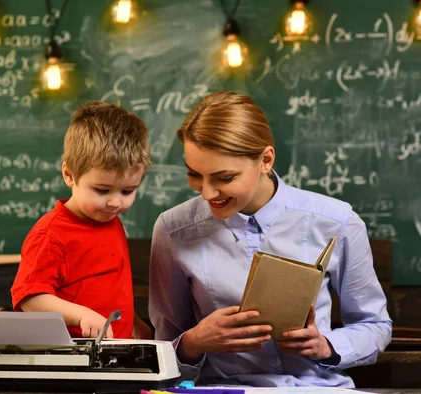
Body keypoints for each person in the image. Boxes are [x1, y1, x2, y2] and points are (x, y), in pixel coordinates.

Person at [148, 91, 392, 387]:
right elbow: (163, 351)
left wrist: (326, 345)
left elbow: (375, 326)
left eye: (224, 178)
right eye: (195, 175)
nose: (207, 192)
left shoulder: (336, 220)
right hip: (226, 391)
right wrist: (193, 342)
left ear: (265, 159)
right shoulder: (173, 230)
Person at [11, 101, 152, 340]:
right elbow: (29, 298)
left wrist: (133, 322)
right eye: (102, 190)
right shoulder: (50, 235)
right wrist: (81, 315)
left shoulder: (111, 221)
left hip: (115, 351)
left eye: (127, 191)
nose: (115, 202)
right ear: (69, 174)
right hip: (72, 356)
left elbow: (110, 289)